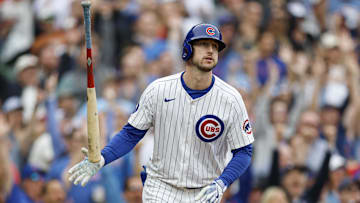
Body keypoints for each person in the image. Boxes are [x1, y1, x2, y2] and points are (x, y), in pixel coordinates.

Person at [67, 23, 254, 203]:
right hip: (161, 187)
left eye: (215, 46)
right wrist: (104, 157)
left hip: (205, 190)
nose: (211, 50)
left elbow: (244, 150)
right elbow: (132, 133)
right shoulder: (159, 89)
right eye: (204, 44)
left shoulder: (231, 98)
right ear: (187, 50)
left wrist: (223, 182)